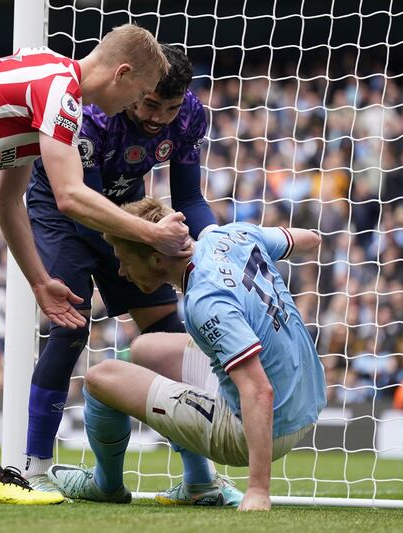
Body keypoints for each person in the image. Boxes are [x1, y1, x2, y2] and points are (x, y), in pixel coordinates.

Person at [0, 25, 193, 505]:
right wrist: (151, 233)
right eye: (140, 92)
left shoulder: (41, 85)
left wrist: (42, 282)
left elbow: (7, 202)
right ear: (122, 73)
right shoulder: (62, 92)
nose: (136, 104)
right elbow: (69, 196)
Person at [23, 44, 241, 505]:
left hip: (129, 214)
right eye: (150, 104)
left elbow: (189, 197)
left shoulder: (190, 117)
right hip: (67, 213)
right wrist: (150, 240)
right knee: (70, 328)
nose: (160, 117)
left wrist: (213, 248)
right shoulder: (94, 115)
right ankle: (36, 468)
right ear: (134, 90)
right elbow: (84, 207)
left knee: (168, 337)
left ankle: (199, 479)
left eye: (171, 106)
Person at [46, 197, 327, 511]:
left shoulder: (205, 301)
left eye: (125, 260)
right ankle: (197, 483)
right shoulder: (229, 235)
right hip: (309, 393)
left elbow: (259, 391)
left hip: (262, 428)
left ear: (156, 260)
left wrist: (258, 491)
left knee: (100, 378)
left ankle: (105, 485)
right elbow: (309, 239)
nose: (122, 271)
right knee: (145, 349)